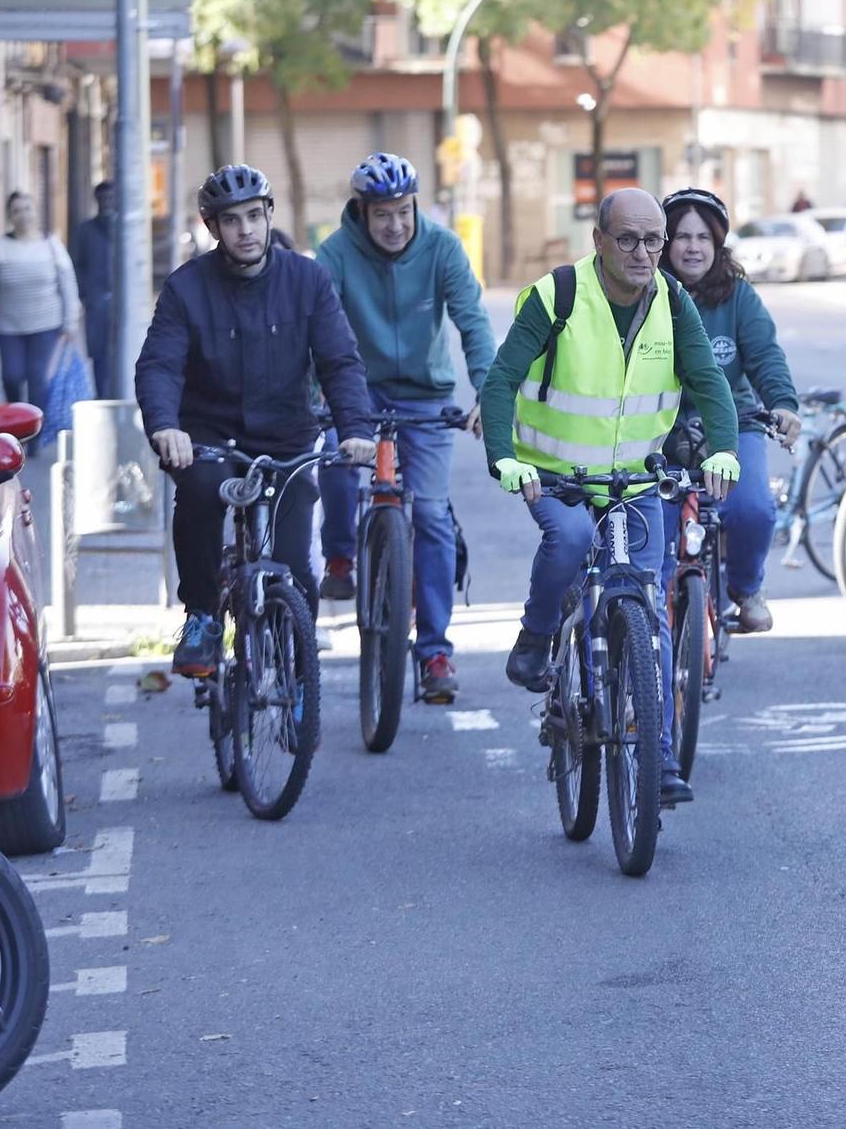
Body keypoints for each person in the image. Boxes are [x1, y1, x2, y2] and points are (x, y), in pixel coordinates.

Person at [481, 187, 740, 809]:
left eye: (655, 240)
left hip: (634, 480)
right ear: (598, 240)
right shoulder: (559, 295)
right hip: (557, 474)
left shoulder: (674, 302)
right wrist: (506, 460)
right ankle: (537, 635)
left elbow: (707, 380)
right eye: (628, 239)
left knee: (647, 608)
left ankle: (659, 757)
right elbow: (500, 382)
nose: (644, 252)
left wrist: (722, 449)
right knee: (569, 541)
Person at [134, 164, 376, 684]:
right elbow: (159, 365)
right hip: (208, 433)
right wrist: (165, 426)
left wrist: (354, 429)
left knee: (296, 566)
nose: (245, 230)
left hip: (286, 433)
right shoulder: (186, 287)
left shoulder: (307, 279)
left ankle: (295, 664)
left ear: (269, 216)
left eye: (253, 216)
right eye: (230, 220)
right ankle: (200, 615)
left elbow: (339, 361)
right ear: (212, 227)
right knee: (198, 495)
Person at [314, 152, 496, 703]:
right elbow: (312, 327)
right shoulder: (335, 254)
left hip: (427, 397)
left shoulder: (443, 248)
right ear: (361, 213)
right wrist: (311, 395)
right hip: (357, 392)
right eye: (382, 215)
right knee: (336, 457)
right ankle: (342, 553)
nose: (394, 225)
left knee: (434, 516)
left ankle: (436, 651)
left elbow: (473, 321)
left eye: (403, 211)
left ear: (417, 206)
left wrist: (488, 390)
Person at [656, 186, 800, 633]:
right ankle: (651, 610)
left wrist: (782, 404)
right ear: (664, 243)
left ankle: (745, 588)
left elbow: (765, 356)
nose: (693, 247)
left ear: (718, 245)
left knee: (752, 509)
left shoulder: (738, 296)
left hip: (733, 423)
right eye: (682, 237)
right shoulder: (646, 291)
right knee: (653, 523)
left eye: (703, 238)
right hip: (658, 428)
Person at [0, 191, 80, 408]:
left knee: (38, 379)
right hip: (10, 327)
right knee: (11, 377)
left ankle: (35, 436)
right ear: (9, 216)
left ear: (35, 212)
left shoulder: (51, 244)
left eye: (27, 209)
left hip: (46, 325)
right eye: (16, 211)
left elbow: (68, 284)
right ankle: (16, 421)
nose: (23, 215)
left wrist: (71, 322)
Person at [68, 180, 120, 397]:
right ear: (96, 200)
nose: (106, 202)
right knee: (100, 357)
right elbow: (76, 265)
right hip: (96, 304)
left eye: (110, 198)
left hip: (121, 304)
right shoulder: (85, 230)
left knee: (122, 354)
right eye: (102, 198)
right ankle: (103, 398)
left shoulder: (126, 229)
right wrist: (85, 293)